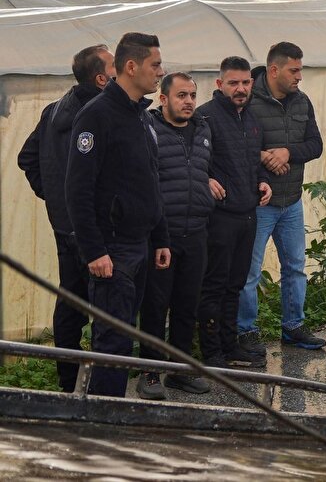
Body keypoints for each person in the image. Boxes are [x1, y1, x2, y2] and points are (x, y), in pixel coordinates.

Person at [65, 32, 170, 397]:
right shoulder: (97, 115)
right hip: (112, 249)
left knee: (126, 339)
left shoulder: (140, 115)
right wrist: (94, 251)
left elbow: (149, 180)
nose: (161, 72)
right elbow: (77, 189)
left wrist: (160, 237)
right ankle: (104, 423)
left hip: (139, 244)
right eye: (155, 64)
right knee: (112, 343)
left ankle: (115, 413)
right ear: (131, 66)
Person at [17, 44, 114, 392]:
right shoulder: (99, 113)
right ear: (101, 78)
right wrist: (66, 200)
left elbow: (27, 159)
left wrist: (58, 201)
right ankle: (103, 386)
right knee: (106, 305)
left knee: (71, 301)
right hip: (95, 229)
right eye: (117, 65)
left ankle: (68, 380)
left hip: (65, 225)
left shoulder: (54, 110)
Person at [240, 42, 326, 351]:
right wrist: (264, 156)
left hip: (291, 201)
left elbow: (315, 145)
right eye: (294, 70)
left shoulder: (301, 102)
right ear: (274, 70)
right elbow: (233, 143)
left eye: (300, 70)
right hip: (259, 203)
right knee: (249, 272)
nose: (299, 77)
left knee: (295, 267)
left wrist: (288, 151)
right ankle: (245, 331)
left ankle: (293, 327)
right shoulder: (247, 98)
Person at [136, 72, 215, 399]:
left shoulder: (203, 129)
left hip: (196, 230)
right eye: (181, 96)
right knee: (156, 306)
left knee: (187, 305)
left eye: (192, 96)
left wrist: (211, 184)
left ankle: (180, 371)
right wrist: (157, 235)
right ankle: (150, 373)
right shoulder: (149, 129)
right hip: (161, 235)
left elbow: (208, 168)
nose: (189, 102)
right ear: (164, 98)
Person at [196, 56, 272, 370]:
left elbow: (252, 162)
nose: (240, 89)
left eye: (245, 82)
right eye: (233, 83)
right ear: (219, 84)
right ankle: (211, 353)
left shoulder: (252, 118)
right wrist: (206, 179)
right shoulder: (205, 117)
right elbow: (190, 158)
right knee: (214, 285)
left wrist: (263, 181)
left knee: (235, 285)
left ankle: (230, 347)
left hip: (248, 213)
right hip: (220, 216)